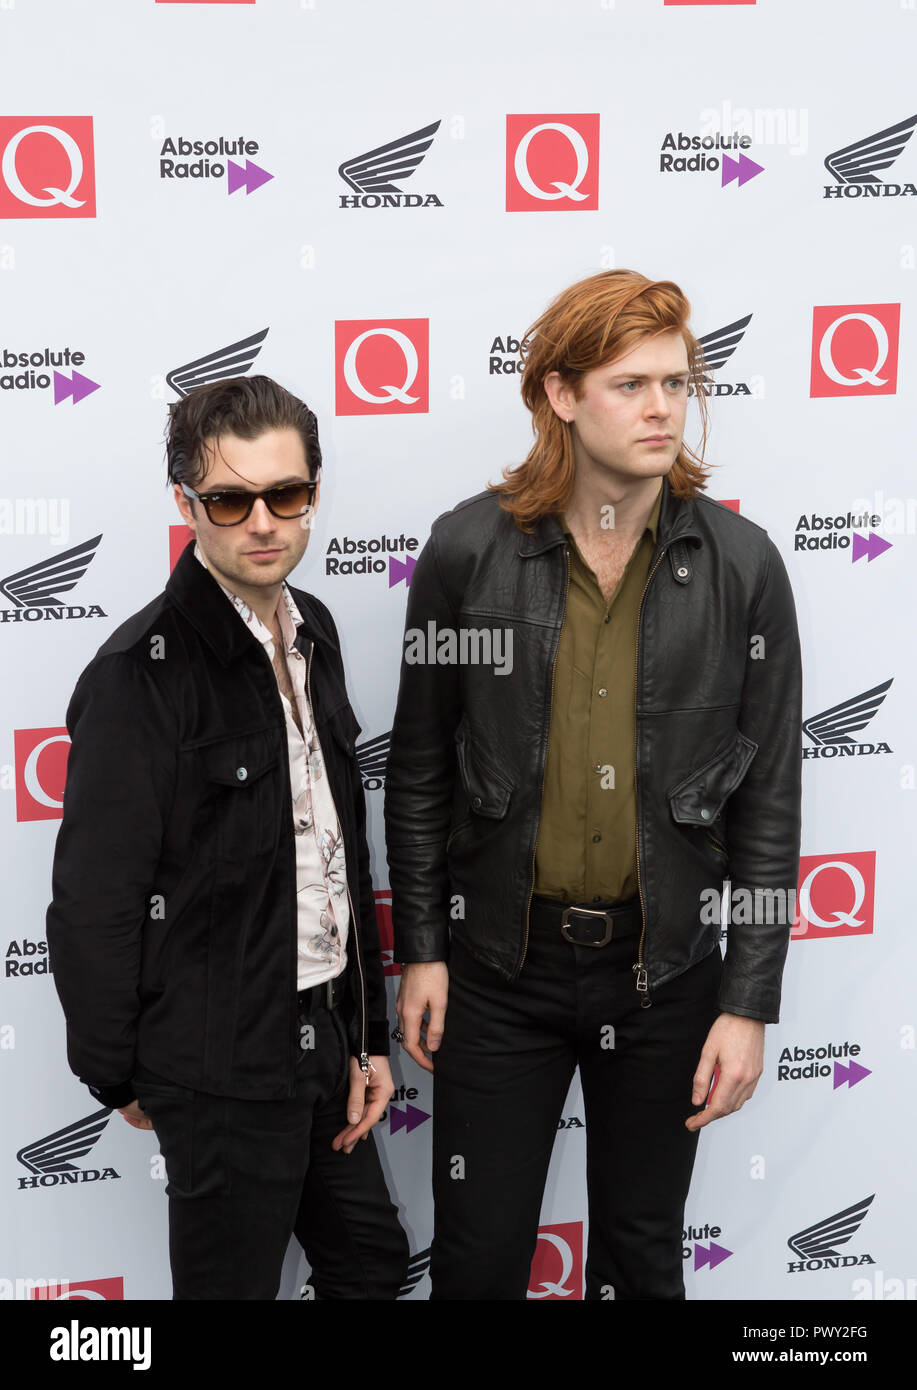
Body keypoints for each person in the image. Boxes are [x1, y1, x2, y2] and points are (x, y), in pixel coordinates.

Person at [384, 270, 802, 1300]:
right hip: (496, 971)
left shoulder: (741, 567)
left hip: (663, 978)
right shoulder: (467, 553)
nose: (662, 406)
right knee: (476, 1262)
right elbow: (421, 766)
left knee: (638, 1260)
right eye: (630, 384)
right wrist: (423, 954)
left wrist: (746, 1002)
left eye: (674, 381)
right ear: (559, 395)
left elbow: (769, 802)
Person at [47, 375, 408, 1300]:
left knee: (368, 1263)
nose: (262, 521)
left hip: (323, 1040)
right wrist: (118, 1074)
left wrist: (367, 1037)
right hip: (214, 1063)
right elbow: (96, 897)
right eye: (229, 498)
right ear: (186, 504)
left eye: (285, 494)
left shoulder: (313, 630)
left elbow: (339, 849)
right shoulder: (141, 673)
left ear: (313, 493)